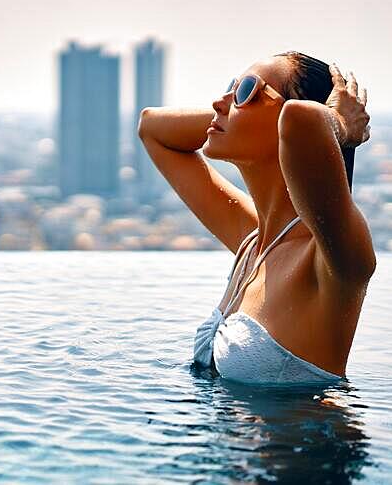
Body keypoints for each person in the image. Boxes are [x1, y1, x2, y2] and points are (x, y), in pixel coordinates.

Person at [137, 51, 375, 385]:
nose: (221, 101)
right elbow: (152, 127)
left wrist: (340, 123)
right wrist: (235, 113)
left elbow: (300, 119)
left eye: (247, 89)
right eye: (230, 88)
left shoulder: (330, 259)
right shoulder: (255, 243)